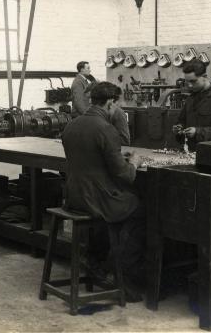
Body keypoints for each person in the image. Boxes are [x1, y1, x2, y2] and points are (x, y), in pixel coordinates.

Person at [61, 81, 144, 300]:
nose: (117, 109)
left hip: (74, 197)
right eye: (116, 104)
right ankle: (124, 280)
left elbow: (92, 159)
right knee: (138, 210)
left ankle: (96, 262)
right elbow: (124, 175)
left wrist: (116, 157)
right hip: (95, 200)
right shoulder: (106, 129)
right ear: (110, 103)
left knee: (117, 211)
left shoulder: (72, 124)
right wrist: (134, 162)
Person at [172, 59, 211, 152]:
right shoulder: (190, 98)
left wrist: (197, 132)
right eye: (187, 82)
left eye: (193, 81)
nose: (190, 85)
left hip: (210, 155)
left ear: (204, 77)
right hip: (189, 152)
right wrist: (178, 128)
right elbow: (181, 121)